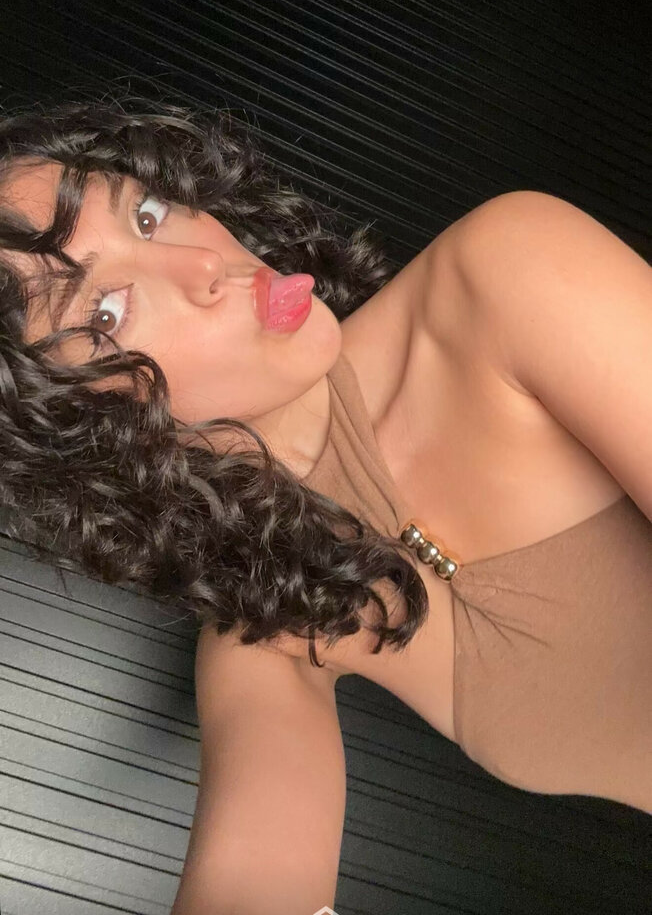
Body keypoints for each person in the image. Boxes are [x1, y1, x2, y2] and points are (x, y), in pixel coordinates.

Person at [0, 95, 649, 915]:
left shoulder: (509, 269)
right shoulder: (268, 638)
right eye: (107, 311)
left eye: (149, 213)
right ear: (83, 429)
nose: (205, 264)